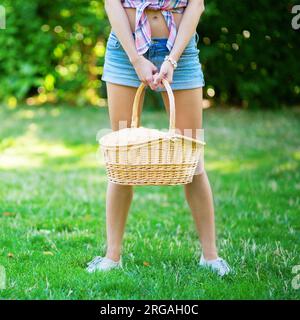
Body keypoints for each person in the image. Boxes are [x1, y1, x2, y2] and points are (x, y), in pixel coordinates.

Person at [86, 0, 231, 277]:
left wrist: (172, 59)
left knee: (193, 159)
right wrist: (137, 59)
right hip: (126, 51)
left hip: (180, 50)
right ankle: (112, 256)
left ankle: (210, 256)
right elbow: (112, 3)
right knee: (122, 158)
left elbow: (196, 6)